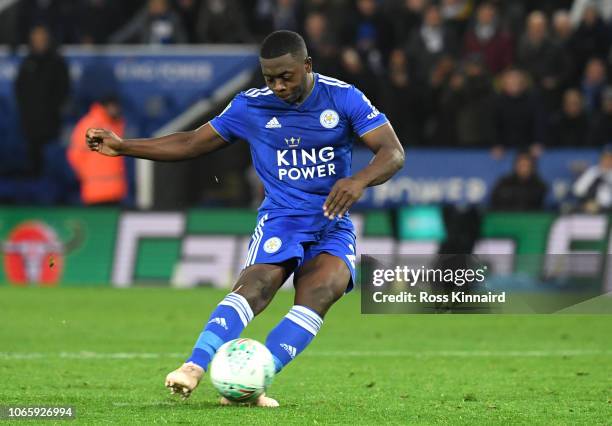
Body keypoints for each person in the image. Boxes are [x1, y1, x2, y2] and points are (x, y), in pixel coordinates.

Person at [86, 30, 404, 407]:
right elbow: (191, 142)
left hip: (332, 222)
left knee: (324, 291)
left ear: (307, 66)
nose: (278, 86)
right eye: (269, 78)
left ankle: (252, 380)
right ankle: (194, 366)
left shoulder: (343, 96)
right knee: (258, 286)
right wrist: (124, 147)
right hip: (281, 219)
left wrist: (359, 180)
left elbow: (392, 152)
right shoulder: (249, 107)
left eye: (286, 76)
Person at [15, 25, 70, 176]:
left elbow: (64, 90)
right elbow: (19, 89)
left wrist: (53, 110)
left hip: (51, 123)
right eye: (36, 38)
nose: (39, 41)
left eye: (42, 38)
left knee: (52, 163)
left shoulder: (57, 62)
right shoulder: (27, 63)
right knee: (33, 163)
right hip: (30, 124)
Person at [68, 96, 127, 206]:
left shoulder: (116, 124)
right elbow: (75, 155)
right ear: (104, 107)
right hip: (95, 191)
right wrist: (86, 176)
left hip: (115, 191)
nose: (116, 110)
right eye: (112, 106)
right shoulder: (90, 124)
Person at [573, 146, 612, 213]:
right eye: (605, 158)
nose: (607, 161)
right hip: (589, 206)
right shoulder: (593, 171)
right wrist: (589, 202)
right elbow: (577, 190)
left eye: (610, 158)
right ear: (601, 159)